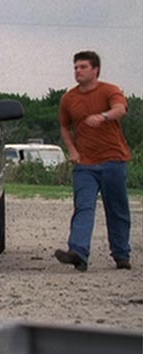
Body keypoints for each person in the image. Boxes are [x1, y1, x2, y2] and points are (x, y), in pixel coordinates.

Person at [55, 50, 132, 272]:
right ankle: (78, 252)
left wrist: (104, 116)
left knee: (117, 208)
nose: (77, 71)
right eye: (75, 67)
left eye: (82, 67)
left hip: (113, 159)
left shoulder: (110, 90)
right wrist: (72, 150)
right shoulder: (69, 98)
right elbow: (64, 126)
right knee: (83, 206)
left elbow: (120, 109)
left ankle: (121, 254)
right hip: (85, 163)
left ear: (95, 70)